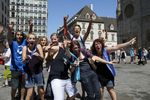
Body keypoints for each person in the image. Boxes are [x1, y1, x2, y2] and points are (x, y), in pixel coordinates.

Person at [45, 33, 76, 100]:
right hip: (56, 78)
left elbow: (69, 57)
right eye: (52, 39)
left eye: (68, 40)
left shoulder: (69, 52)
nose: (53, 41)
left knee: (72, 96)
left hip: (66, 78)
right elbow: (48, 49)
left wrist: (74, 66)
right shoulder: (56, 48)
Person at [22, 34, 45, 100]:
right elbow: (23, 60)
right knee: (29, 93)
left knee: (41, 91)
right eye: (30, 38)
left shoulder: (38, 46)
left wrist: (38, 55)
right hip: (29, 72)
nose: (32, 40)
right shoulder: (25, 47)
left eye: (33, 38)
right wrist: (26, 57)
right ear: (27, 40)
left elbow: (42, 59)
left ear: (35, 40)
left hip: (38, 72)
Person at [8, 30, 27, 100]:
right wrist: (10, 30)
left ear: (22, 36)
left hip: (24, 68)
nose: (19, 36)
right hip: (14, 69)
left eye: (21, 35)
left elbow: (29, 36)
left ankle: (22, 98)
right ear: (15, 36)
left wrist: (30, 27)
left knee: (22, 85)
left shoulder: (24, 42)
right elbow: (9, 38)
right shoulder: (12, 43)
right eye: (18, 34)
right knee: (14, 86)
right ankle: (13, 98)